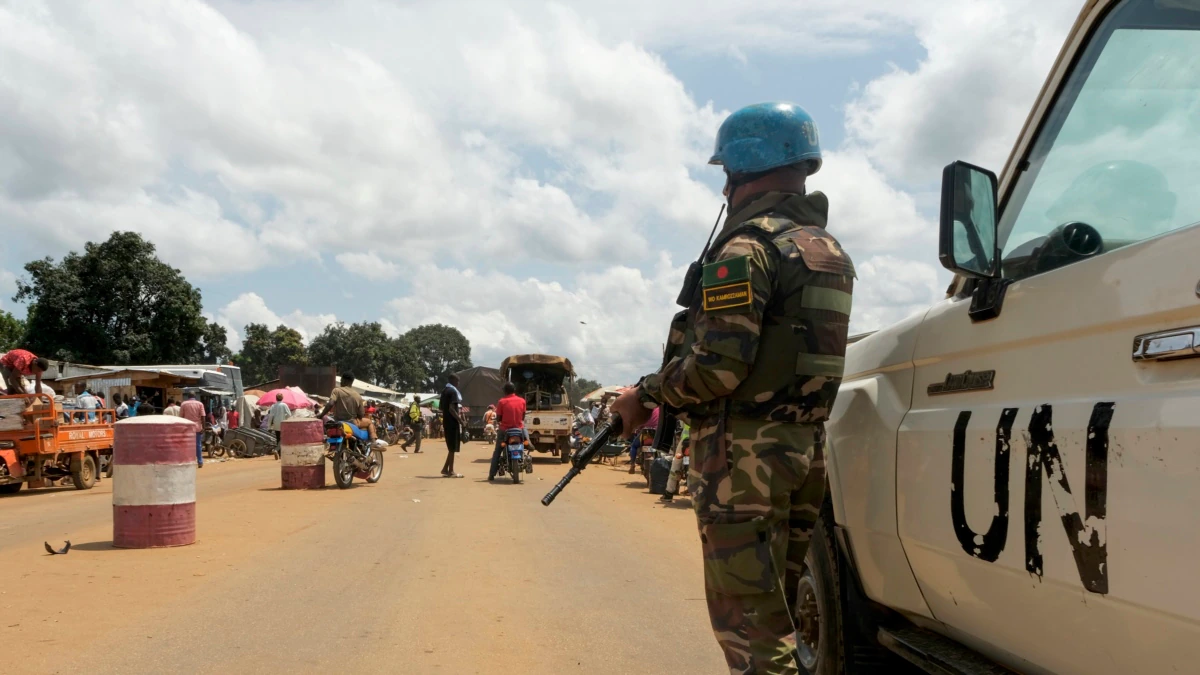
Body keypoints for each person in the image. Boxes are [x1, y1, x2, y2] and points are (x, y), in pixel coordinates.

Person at [606, 102, 854, 675]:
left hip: (744, 459)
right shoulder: (827, 251)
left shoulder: (745, 251)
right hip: (803, 452)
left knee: (751, 633)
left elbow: (716, 369)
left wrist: (645, 395)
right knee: (780, 615)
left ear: (740, 169)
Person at [316, 373, 378, 444]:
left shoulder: (337, 391)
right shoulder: (357, 395)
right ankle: (373, 441)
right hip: (353, 423)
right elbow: (361, 414)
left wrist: (321, 416)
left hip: (338, 421)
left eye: (341, 380)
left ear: (345, 381)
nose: (341, 382)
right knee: (369, 422)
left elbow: (330, 404)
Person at [488, 382, 529, 481]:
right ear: (514, 390)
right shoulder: (522, 401)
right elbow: (523, 417)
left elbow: (498, 418)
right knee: (524, 429)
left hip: (505, 430)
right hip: (519, 430)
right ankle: (528, 443)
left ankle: (492, 475)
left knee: (497, 451)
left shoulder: (502, 402)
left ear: (505, 391)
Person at [439, 374, 464, 477]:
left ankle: (445, 469)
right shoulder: (453, 392)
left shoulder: (444, 391)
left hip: (446, 421)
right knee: (452, 447)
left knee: (451, 447)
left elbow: (441, 407)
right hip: (452, 422)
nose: (458, 383)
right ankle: (451, 471)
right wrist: (461, 421)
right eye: (457, 381)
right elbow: (452, 409)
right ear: (453, 380)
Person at [660, 422, 690, 502]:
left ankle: (669, 493)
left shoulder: (688, 411)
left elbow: (682, 424)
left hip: (685, 441)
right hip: (701, 442)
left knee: (675, 464)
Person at [180, 392, 206, 468]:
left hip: (187, 427)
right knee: (198, 445)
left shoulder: (184, 404)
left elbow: (181, 417)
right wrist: (203, 427)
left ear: (188, 396)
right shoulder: (200, 404)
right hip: (197, 427)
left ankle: (188, 461)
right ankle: (200, 461)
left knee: (187, 445)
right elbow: (203, 416)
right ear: (195, 396)